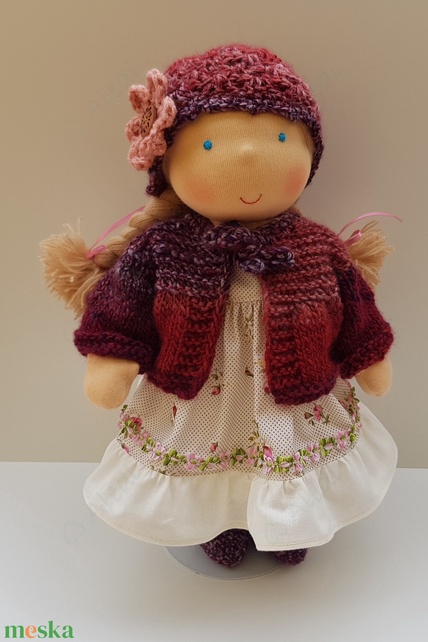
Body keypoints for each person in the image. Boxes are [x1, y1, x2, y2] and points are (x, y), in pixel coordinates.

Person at [42, 44, 397, 567]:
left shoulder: (317, 248)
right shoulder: (162, 248)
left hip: (288, 396)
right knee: (208, 457)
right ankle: (220, 523)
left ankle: (285, 523)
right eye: (208, 144)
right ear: (168, 164)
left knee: (283, 453)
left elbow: (354, 307)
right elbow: (124, 309)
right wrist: (111, 359)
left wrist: (368, 355)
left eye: (280, 139)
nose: (248, 158)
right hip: (199, 396)